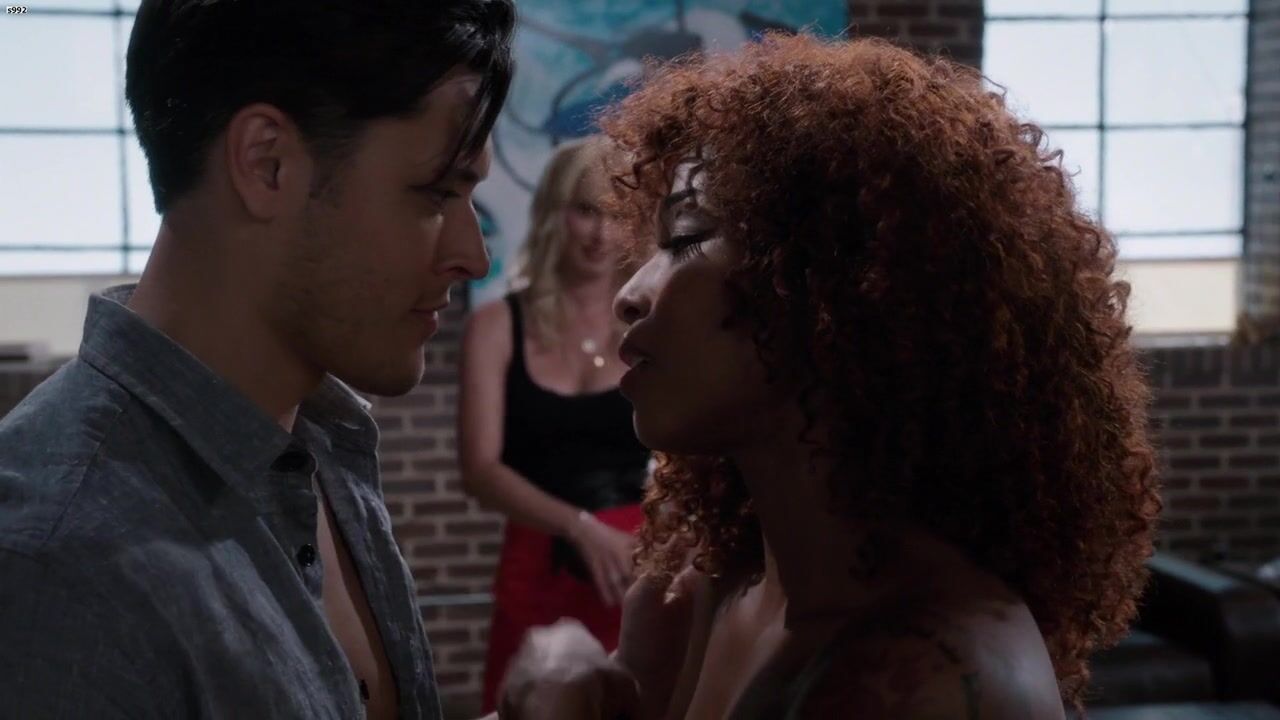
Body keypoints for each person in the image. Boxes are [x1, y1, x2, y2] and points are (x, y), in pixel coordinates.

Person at [503, 34, 1161, 719]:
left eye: (688, 238)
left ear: (837, 290)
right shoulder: (710, 590)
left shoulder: (921, 672)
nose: (629, 293)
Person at [0, 1, 516, 717]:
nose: (473, 255)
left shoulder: (318, 440)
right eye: (436, 192)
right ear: (266, 164)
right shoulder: (54, 565)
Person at [458, 137, 651, 711]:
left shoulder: (653, 323)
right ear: (552, 213)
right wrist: (581, 527)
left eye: (615, 213)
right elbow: (480, 469)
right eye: (585, 210)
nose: (600, 233)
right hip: (538, 566)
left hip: (645, 564)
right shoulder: (497, 325)